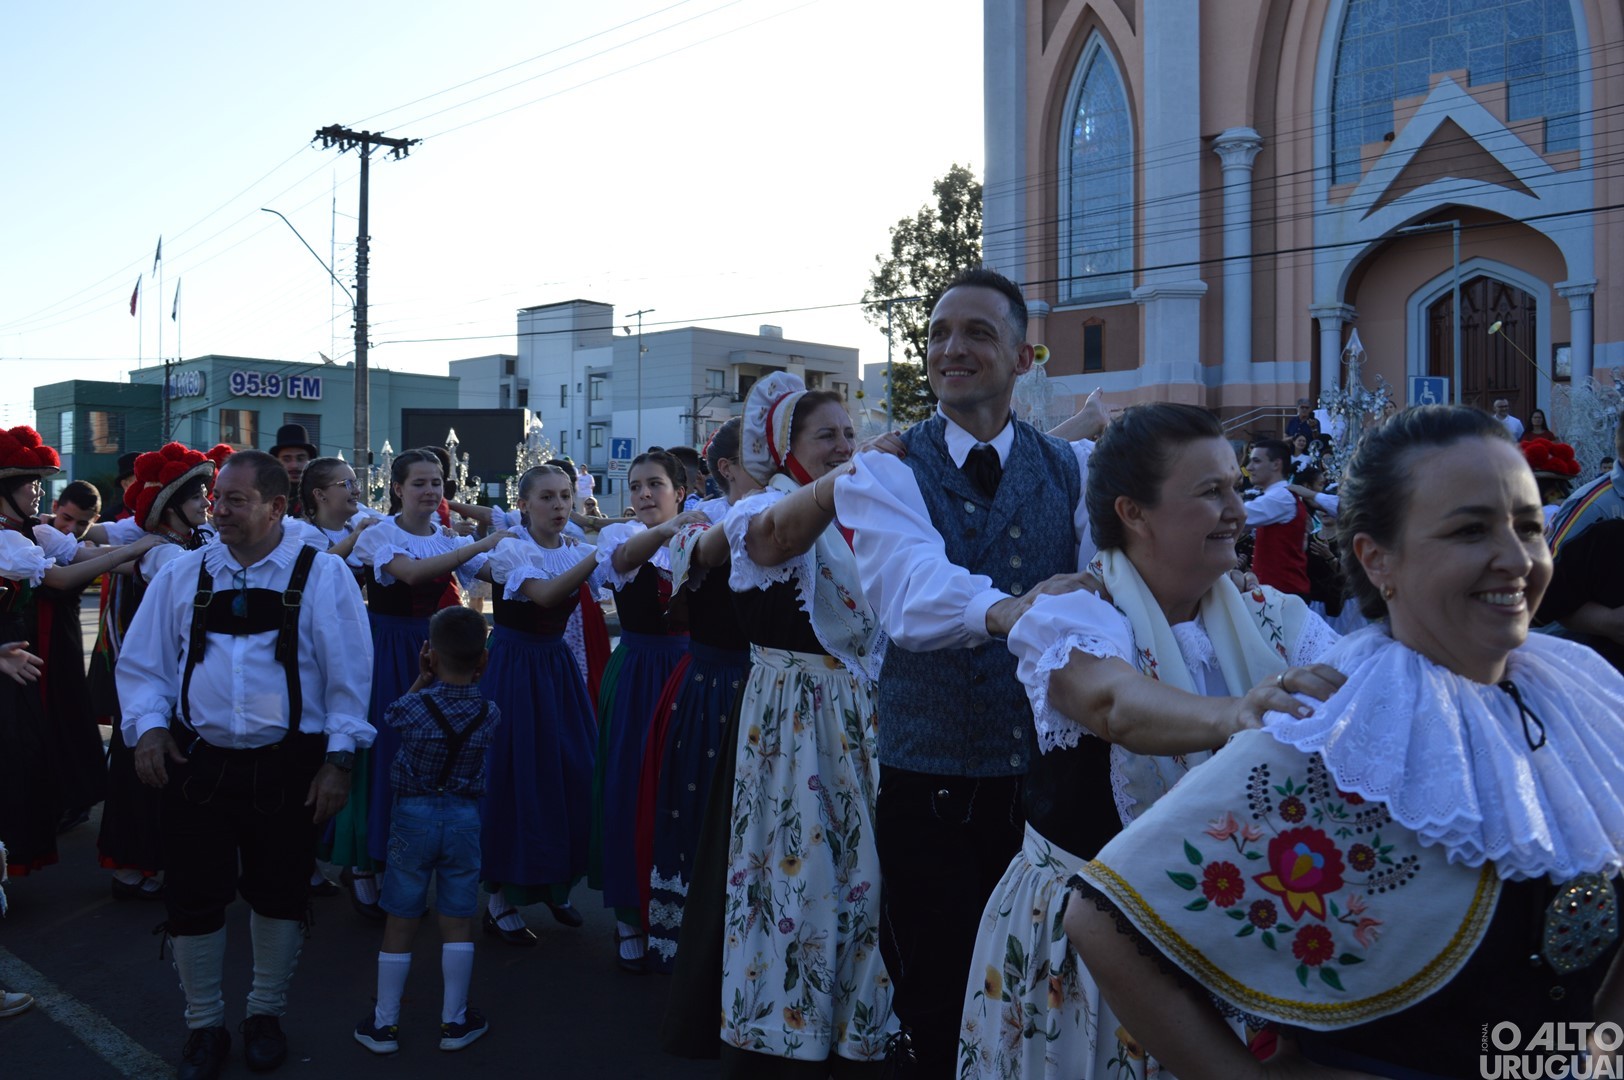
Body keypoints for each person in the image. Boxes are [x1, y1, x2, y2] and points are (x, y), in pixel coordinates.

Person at [1064, 404, 1624, 1079]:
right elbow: (1102, 918)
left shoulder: (1583, 694)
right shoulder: (1343, 728)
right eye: (1471, 530)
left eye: (1530, 528)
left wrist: (1596, 1060)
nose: (1515, 559)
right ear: (1376, 557)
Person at [958, 404, 1341, 1079]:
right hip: (1089, 942)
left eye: (1236, 486)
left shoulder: (1268, 615)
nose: (1238, 509)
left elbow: (1361, 689)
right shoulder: (1072, 612)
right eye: (1210, 492)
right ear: (1132, 512)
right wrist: (1234, 715)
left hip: (1224, 931)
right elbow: (1115, 704)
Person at [833, 268, 1097, 1077]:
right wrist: (1017, 608)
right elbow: (909, 594)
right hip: (929, 780)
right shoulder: (886, 469)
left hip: (1045, 789)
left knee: (1037, 995)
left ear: (1024, 354)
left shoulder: (1072, 468)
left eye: (978, 332)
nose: (953, 347)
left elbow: (1104, 587)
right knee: (937, 997)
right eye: (940, 332)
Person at [117, 450, 375, 1080]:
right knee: (193, 899)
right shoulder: (183, 574)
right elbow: (144, 664)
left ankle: (264, 1014)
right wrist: (148, 729)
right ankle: (203, 1026)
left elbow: (349, 678)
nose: (219, 511)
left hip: (288, 768)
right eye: (216, 500)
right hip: (196, 765)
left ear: (276, 507)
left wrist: (339, 762)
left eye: (234, 500)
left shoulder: (321, 574)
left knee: (280, 895)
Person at [719, 372, 896, 1071]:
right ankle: (783, 1020)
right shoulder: (759, 508)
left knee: (866, 872)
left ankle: (859, 1016)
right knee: (801, 870)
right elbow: (774, 542)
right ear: (784, 445)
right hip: (794, 717)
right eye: (826, 435)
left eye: (850, 433)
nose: (843, 445)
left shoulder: (863, 515)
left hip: (857, 710)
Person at [337, 450, 508, 918]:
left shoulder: (443, 536)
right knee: (384, 746)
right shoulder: (380, 535)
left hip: (433, 649)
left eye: (437, 482)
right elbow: (411, 574)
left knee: (429, 753)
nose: (431, 491)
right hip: (387, 646)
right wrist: (478, 544)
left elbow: (494, 574)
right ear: (397, 488)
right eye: (420, 483)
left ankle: (411, 858)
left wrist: (546, 551)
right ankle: (367, 863)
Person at [0, 427, 160, 881]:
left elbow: (83, 552)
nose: (38, 493)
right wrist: (135, 550)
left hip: (19, 652)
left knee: (28, 751)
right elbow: (62, 579)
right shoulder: (7, 540)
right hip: (7, 650)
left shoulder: (30, 531)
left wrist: (147, 553)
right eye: (29, 484)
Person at [353, 606, 500, 1056]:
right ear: (483, 662)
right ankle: (454, 1022)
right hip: (462, 819)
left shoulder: (415, 706)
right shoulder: (489, 712)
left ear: (430, 655)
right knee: (457, 920)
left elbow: (390, 716)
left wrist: (422, 677)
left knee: (401, 919)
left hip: (413, 818)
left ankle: (385, 1025)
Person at [641, 418, 755, 971]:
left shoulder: (801, 513)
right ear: (728, 468)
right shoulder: (709, 520)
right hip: (715, 682)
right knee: (705, 808)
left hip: (770, 686)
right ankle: (698, 941)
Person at [476, 464, 606, 943]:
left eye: (565, 497)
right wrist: (597, 556)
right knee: (516, 776)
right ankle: (500, 898)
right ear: (524, 505)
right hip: (514, 667)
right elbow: (548, 596)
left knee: (572, 771)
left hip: (555, 667)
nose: (559, 506)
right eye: (547, 497)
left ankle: (555, 881)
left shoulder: (574, 548)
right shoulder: (513, 548)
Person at [99, 443, 229, 902]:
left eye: (208, 496)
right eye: (198, 497)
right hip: (160, 678)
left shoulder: (201, 541)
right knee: (148, 771)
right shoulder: (162, 553)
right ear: (171, 505)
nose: (208, 504)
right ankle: (139, 866)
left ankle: (164, 860)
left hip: (187, 675)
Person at [592, 451, 705, 971]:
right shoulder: (619, 538)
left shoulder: (705, 534)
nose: (642, 494)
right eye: (635, 486)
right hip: (639, 672)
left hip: (690, 672)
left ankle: (679, 910)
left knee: (681, 790)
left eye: (654, 485)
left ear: (679, 490)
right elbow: (621, 563)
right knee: (629, 786)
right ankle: (627, 914)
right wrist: (670, 530)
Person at [1244, 439, 1310, 600]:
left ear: (1276, 465)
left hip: (1284, 593)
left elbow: (1240, 515)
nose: (1249, 468)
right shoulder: (1278, 495)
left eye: (1256, 461)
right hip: (1279, 591)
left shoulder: (1281, 497)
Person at [268, 425, 318, 519]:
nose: (294, 465)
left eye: (300, 458)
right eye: (286, 459)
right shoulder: (266, 497)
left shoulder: (322, 496)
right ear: (277, 462)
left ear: (309, 461)